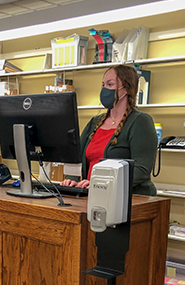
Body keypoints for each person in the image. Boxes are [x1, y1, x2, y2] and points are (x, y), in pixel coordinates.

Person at [61, 64, 157, 195]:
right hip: (92, 195)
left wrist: (102, 184)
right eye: (103, 85)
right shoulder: (95, 122)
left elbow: (141, 170)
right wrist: (71, 180)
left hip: (129, 199)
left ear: (127, 89)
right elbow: (76, 157)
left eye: (110, 84)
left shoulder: (140, 121)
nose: (105, 89)